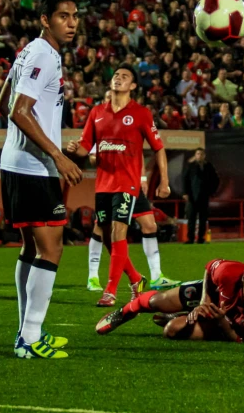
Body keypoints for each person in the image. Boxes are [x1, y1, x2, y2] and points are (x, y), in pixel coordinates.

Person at [0, 0, 83, 359]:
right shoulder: (45, 55)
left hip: (18, 162)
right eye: (64, 16)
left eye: (76, 16)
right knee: (53, 248)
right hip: (34, 167)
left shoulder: (29, 51)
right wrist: (56, 156)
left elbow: (3, 103)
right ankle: (29, 338)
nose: (72, 23)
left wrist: (56, 144)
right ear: (45, 20)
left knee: (32, 247)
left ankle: (26, 332)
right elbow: (18, 110)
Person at [67, 64, 173, 307]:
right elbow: (85, 149)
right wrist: (73, 150)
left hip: (127, 184)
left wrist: (164, 181)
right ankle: (136, 280)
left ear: (133, 86)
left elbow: (159, 148)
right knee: (107, 238)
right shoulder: (96, 113)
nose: (118, 78)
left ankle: (110, 290)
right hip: (103, 185)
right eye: (116, 75)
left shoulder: (142, 113)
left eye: (125, 77)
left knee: (118, 233)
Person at [96, 253, 244, 343]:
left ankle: (183, 316)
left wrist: (221, 322)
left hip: (225, 327)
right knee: (156, 302)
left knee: (172, 330)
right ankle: (125, 312)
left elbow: (238, 340)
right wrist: (205, 302)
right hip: (212, 295)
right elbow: (210, 267)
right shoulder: (229, 273)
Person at [85, 139, 180, 293]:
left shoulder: (129, 128)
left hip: (132, 184)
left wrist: (142, 178)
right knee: (102, 228)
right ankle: (93, 276)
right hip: (111, 186)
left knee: (150, 225)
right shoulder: (103, 128)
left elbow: (138, 154)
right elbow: (92, 157)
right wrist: (112, 158)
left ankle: (156, 276)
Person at [182, 148, 219, 244]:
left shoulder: (209, 166)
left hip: (204, 196)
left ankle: (201, 238)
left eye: (201, 154)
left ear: (204, 155)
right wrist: (185, 193)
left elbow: (215, 180)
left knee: (203, 219)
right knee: (191, 218)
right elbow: (185, 180)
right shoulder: (190, 166)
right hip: (192, 196)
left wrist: (212, 192)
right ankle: (190, 239)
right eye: (198, 154)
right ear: (195, 155)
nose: (199, 156)